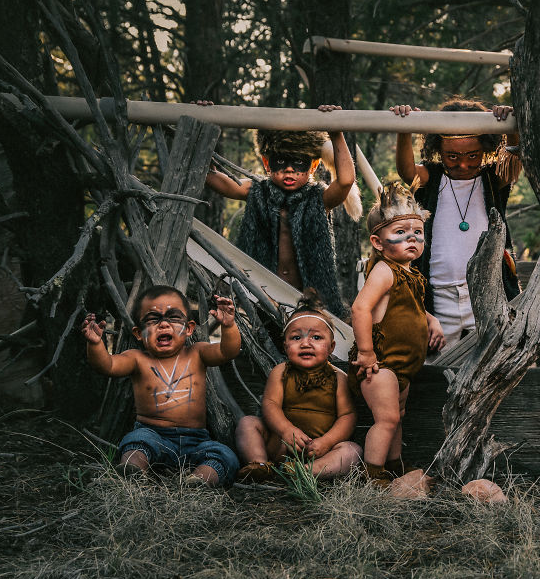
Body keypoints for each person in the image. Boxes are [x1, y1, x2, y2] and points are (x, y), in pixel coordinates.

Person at [204, 105, 359, 318]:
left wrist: (335, 133)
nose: (289, 169)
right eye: (281, 161)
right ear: (267, 163)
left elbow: (346, 180)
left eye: (298, 163)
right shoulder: (257, 190)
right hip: (264, 294)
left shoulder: (318, 198)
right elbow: (212, 177)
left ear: (313, 166)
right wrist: (205, 120)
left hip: (308, 296)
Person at [391, 98, 521, 348]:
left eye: (473, 155)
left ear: (485, 148)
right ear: (438, 150)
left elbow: (513, 164)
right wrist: (404, 128)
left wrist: (510, 129)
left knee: (495, 354)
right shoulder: (432, 177)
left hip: (486, 292)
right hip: (439, 295)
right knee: (434, 360)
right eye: (452, 156)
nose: (463, 163)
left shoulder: (492, 179)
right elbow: (407, 170)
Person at [81, 285, 241, 487]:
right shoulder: (137, 358)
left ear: (189, 328)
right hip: (152, 435)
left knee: (224, 454)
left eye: (173, 318)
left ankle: (200, 481)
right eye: (153, 319)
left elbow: (229, 351)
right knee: (135, 442)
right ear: (139, 333)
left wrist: (228, 326)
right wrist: (95, 344)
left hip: (197, 441)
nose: (164, 324)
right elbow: (107, 365)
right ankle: (133, 470)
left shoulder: (197, 353)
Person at [348, 183, 445, 485]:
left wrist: (432, 321)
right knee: (387, 419)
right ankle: (372, 474)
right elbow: (360, 309)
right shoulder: (384, 270)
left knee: (397, 418)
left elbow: (411, 308)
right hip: (381, 363)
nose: (412, 238)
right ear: (378, 242)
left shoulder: (412, 275)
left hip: (403, 367)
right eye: (401, 232)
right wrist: (366, 352)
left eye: (417, 232)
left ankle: (393, 467)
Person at [235, 290, 362, 482]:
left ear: (331, 347)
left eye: (316, 338)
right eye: (296, 338)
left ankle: (306, 472)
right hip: (281, 444)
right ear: (285, 346)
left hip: (318, 450)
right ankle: (260, 465)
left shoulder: (338, 378)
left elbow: (347, 416)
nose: (306, 344)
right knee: (247, 424)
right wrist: (287, 430)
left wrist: (327, 442)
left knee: (353, 451)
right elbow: (270, 405)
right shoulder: (281, 372)